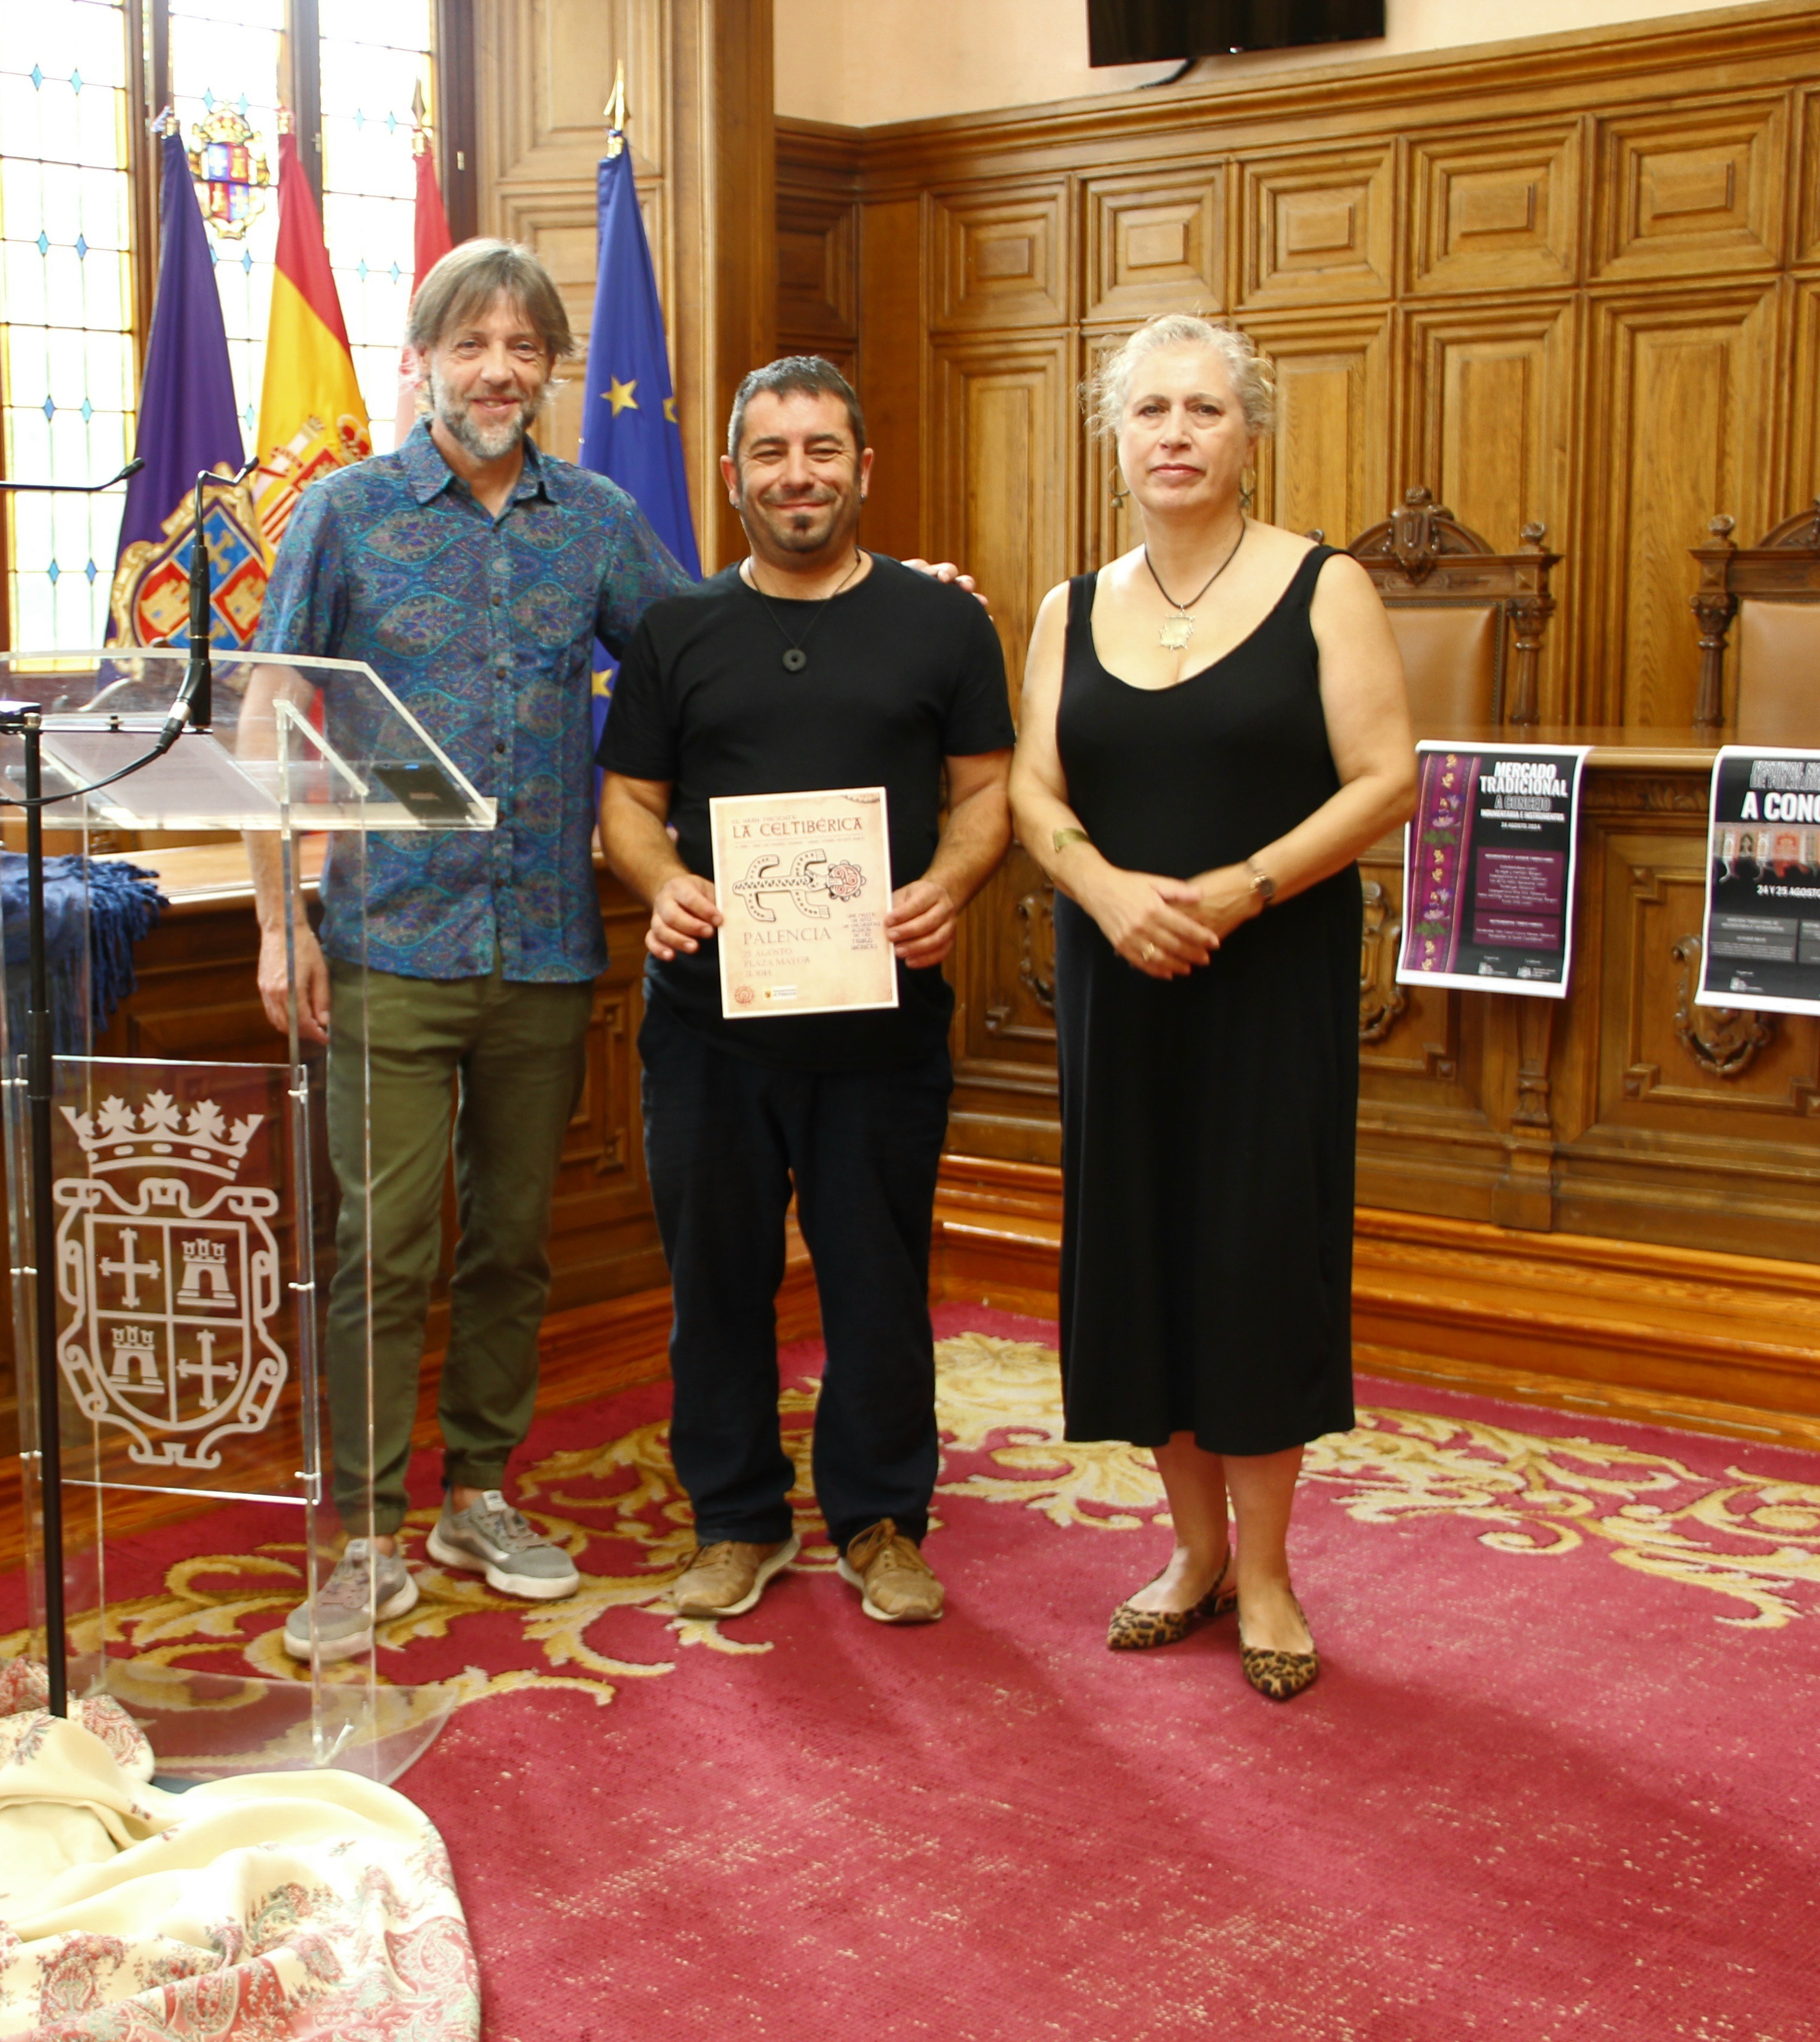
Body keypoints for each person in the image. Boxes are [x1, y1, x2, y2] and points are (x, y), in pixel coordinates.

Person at [245, 239, 697, 1660]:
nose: (497, 369)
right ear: (421, 361)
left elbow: (703, 659)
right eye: (470, 343)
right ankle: (365, 1533)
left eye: (524, 346)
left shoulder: (601, 521)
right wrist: (279, 921)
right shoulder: (345, 515)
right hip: (384, 941)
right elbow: (270, 721)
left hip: (549, 950)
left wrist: (874, 601)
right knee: (379, 1247)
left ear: (554, 370)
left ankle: (479, 1496)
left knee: (510, 1243)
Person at [1007, 312, 1414, 1702]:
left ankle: (1272, 1571)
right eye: (1151, 413)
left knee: (1252, 1260)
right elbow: (1031, 791)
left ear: (1252, 433)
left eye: (1204, 412)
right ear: (1116, 438)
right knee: (1140, 1263)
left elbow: (1385, 778)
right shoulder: (1071, 605)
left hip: (1267, 979)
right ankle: (1189, 1555)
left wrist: (1240, 890)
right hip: (1119, 980)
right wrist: (1109, 893)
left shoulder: (1325, 585)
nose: (1175, 436)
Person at [597, 356, 1014, 1627]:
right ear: (732, 477)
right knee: (716, 1279)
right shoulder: (677, 631)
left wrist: (951, 882)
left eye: (822, 450)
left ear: (863, 468)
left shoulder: (944, 624)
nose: (797, 475)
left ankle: (882, 1523)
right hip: (710, 1025)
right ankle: (735, 1521)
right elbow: (629, 806)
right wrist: (661, 883)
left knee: (877, 1278)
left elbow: (989, 791)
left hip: (882, 1021)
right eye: (770, 452)